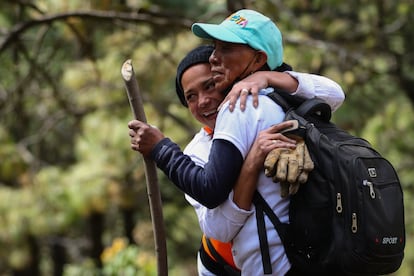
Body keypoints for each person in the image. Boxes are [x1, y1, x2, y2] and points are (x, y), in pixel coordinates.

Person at [129, 9, 345, 275]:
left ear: (257, 59)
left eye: (209, 86)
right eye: (191, 97)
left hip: (275, 265)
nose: (214, 56)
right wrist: (251, 162)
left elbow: (209, 190)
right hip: (321, 259)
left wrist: (162, 149)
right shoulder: (283, 101)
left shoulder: (242, 104)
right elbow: (217, 229)